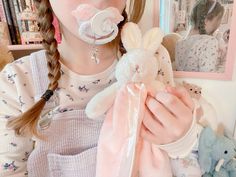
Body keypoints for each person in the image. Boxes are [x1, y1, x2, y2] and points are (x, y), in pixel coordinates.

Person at [0, 0, 214, 176]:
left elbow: (177, 164)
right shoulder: (16, 81)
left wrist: (183, 142)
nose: (99, 1)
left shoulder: (151, 60)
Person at [175, 0, 225, 72]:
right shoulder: (210, 42)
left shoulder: (179, 43)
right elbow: (209, 77)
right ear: (206, 20)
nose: (218, 25)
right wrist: (222, 62)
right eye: (218, 21)